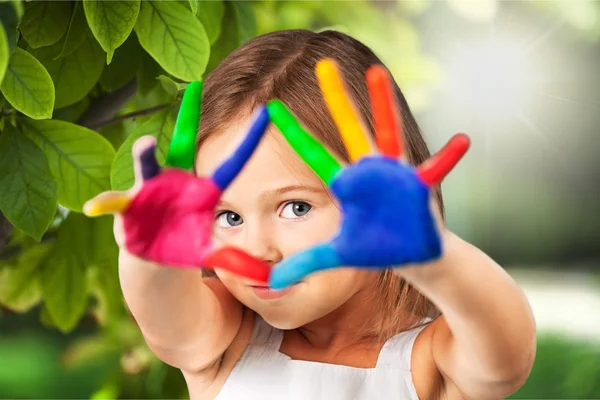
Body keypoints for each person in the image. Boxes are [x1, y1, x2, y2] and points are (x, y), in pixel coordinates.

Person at [87, 30, 536, 399]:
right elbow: (169, 324)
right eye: (228, 217)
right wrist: (149, 254)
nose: (258, 249)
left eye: (295, 207)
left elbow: (506, 359)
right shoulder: (226, 338)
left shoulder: (430, 360)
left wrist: (434, 258)